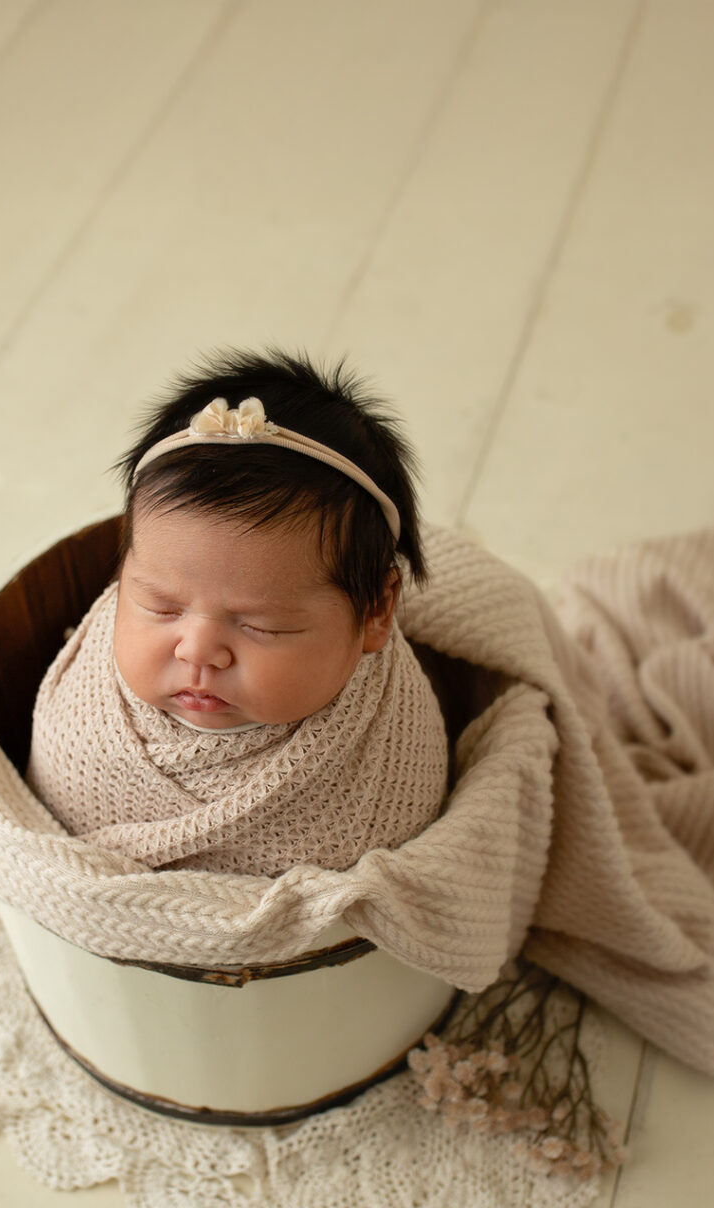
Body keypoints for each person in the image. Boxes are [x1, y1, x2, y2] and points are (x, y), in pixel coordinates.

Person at [23, 349, 450, 877]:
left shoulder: (385, 763)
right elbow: (49, 811)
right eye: (161, 606)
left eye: (260, 625)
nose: (197, 649)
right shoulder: (89, 719)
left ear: (376, 611)